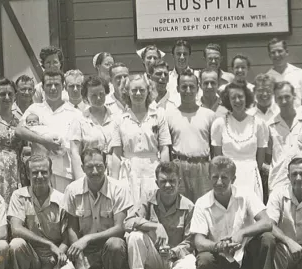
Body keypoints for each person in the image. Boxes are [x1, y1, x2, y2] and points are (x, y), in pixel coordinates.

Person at [191, 156, 282, 269]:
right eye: (215, 177)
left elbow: (267, 223)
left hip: (246, 257)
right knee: (203, 259)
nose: (219, 182)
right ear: (208, 178)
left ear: (233, 178)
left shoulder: (246, 194)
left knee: (267, 238)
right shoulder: (202, 203)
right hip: (220, 259)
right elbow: (198, 241)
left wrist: (242, 233)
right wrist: (218, 246)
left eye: (224, 177)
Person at [123, 162, 198, 269]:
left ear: (179, 182)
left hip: (175, 258)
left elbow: (191, 241)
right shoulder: (148, 199)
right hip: (153, 257)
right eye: (163, 181)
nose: (168, 185)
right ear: (157, 182)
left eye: (172, 181)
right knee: (135, 236)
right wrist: (156, 226)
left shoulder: (189, 206)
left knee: (191, 268)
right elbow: (128, 222)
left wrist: (173, 252)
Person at [63, 148, 133, 269]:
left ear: (106, 165)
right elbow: (71, 229)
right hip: (86, 253)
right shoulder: (72, 190)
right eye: (89, 167)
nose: (95, 171)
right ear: (82, 168)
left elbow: (119, 228)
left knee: (115, 244)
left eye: (99, 166)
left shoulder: (119, 188)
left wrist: (87, 238)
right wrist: (81, 267)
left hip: (111, 248)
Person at [8, 155, 75, 269]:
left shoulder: (61, 199)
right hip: (31, 256)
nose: (39, 176)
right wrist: (48, 244)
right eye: (35, 172)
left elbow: (66, 239)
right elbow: (16, 229)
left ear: (51, 173)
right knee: (16, 244)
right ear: (28, 174)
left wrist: (47, 268)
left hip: (56, 256)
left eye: (44, 172)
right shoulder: (19, 196)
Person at [16, 69, 83, 193]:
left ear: (63, 86)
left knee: (63, 209)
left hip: (65, 173)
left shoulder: (75, 113)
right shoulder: (35, 109)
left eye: (57, 84)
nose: (53, 88)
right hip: (39, 172)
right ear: (42, 87)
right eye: (48, 85)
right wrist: (44, 142)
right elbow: (19, 130)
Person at [112, 74, 172, 205]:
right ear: (127, 92)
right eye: (134, 90)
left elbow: (164, 149)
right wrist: (113, 183)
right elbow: (116, 154)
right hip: (128, 172)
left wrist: (164, 175)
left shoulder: (158, 115)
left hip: (152, 170)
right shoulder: (119, 119)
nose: (138, 93)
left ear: (148, 91)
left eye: (142, 90)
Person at [211, 82, 268, 201]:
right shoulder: (219, 123)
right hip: (229, 177)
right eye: (233, 97)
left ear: (246, 98)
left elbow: (260, 157)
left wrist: (249, 170)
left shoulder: (258, 123)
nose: (237, 100)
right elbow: (218, 157)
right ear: (228, 100)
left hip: (251, 176)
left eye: (241, 96)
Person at [166, 68, 216, 203]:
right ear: (177, 88)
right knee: (182, 207)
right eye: (184, 87)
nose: (188, 90)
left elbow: (215, 150)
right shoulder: (169, 115)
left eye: (191, 87)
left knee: (204, 207)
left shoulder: (209, 115)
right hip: (179, 167)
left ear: (197, 88)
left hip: (203, 167)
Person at [266, 81, 302, 197]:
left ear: (294, 97)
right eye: (280, 98)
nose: (284, 101)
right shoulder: (270, 125)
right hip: (278, 182)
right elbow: (268, 157)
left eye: (287, 97)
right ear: (275, 100)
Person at [70, 75, 118, 180]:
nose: (99, 98)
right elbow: (75, 152)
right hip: (91, 174)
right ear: (86, 98)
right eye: (93, 95)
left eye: (101, 94)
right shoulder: (79, 120)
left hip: (114, 173)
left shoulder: (116, 118)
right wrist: (80, 179)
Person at [266, 38, 302, 107]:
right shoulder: (267, 78)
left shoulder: (299, 73)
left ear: (287, 52)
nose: (277, 55)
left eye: (280, 51)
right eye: (273, 52)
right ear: (269, 55)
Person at [168, 39, 199, 104]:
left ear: (189, 56)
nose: (182, 57)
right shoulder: (167, 78)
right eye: (178, 54)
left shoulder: (198, 76)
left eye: (185, 54)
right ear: (173, 56)